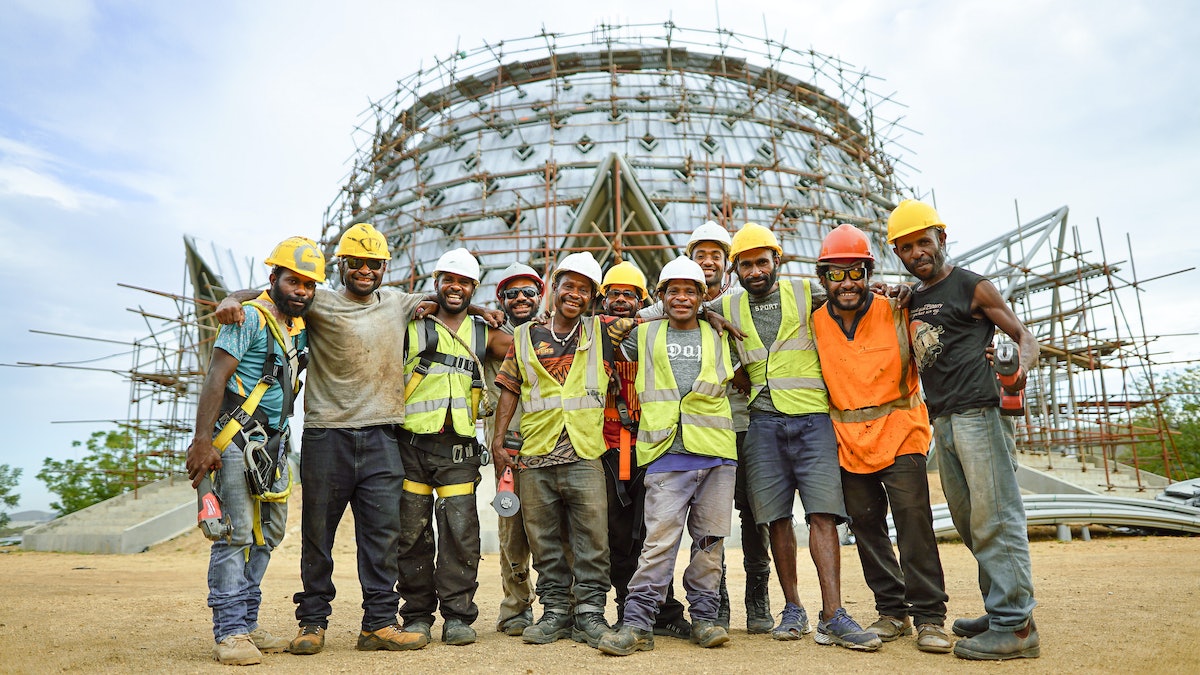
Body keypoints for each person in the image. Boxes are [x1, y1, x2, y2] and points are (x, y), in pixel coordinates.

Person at [214, 224, 491, 654]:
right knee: (317, 535)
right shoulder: (318, 301)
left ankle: (378, 623)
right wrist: (233, 299)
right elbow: (272, 294)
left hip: (383, 438)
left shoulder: (399, 303)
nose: (365, 270)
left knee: (381, 537)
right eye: (356, 263)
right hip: (328, 436)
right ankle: (312, 623)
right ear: (341, 265)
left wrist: (484, 313)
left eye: (373, 264)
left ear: (384, 268)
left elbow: (452, 301)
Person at [715, 223, 881, 651]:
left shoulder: (807, 292)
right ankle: (793, 608)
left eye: (762, 262)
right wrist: (705, 312)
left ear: (778, 261)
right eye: (746, 264)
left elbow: (854, 292)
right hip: (762, 425)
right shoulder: (728, 305)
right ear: (735, 269)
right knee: (775, 519)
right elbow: (677, 306)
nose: (755, 271)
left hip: (812, 421)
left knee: (824, 514)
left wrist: (890, 290)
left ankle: (833, 614)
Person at [887, 200, 1040, 660]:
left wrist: (1017, 365)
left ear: (941, 239)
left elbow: (1024, 337)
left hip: (980, 415)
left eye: (924, 242)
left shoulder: (973, 286)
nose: (917, 253)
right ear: (898, 253)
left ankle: (1016, 628)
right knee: (970, 521)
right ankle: (1001, 611)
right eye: (907, 247)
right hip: (943, 420)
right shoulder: (913, 297)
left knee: (996, 517)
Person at [811, 224, 952, 654]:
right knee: (867, 526)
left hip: (902, 427)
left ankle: (929, 617)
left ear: (869, 272)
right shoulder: (814, 321)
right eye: (836, 274)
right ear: (823, 280)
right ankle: (892, 611)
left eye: (856, 272)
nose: (847, 283)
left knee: (913, 521)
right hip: (848, 438)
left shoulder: (897, 307)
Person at [186, 236, 322, 665]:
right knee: (235, 534)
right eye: (292, 281)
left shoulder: (300, 323)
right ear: (274, 279)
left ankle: (246, 620)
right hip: (234, 439)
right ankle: (229, 631)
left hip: (276, 445)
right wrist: (202, 441)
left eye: (308, 284)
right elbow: (215, 377)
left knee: (270, 534)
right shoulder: (248, 319)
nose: (301, 290)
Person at [597, 257, 738, 656]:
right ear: (660, 297)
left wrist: (708, 311)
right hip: (664, 455)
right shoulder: (642, 335)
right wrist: (698, 308)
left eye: (691, 291)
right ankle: (638, 625)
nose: (681, 298)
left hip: (715, 456)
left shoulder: (720, 337)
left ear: (702, 295)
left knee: (710, 544)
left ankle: (706, 620)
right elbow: (613, 329)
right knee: (658, 544)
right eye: (672, 291)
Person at [489, 251, 620, 649]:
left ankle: (591, 615)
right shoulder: (526, 336)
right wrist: (498, 441)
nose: (574, 295)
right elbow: (510, 387)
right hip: (535, 456)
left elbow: (666, 315)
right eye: (568, 286)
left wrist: (712, 314)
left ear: (593, 297)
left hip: (583, 454)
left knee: (593, 541)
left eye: (584, 289)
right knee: (544, 542)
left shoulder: (604, 331)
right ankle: (556, 613)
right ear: (555, 290)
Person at [395, 248, 512, 646]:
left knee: (461, 533)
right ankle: (416, 616)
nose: (455, 287)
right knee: (411, 534)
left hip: (458, 448)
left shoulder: (486, 333)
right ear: (437, 283)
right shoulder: (412, 325)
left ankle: (458, 617)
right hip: (410, 445)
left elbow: (531, 353)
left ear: (473, 288)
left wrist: (486, 313)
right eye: (449, 280)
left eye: (463, 282)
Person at [598, 261, 690, 640]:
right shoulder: (593, 333)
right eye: (614, 294)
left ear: (642, 300)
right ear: (602, 299)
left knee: (656, 535)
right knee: (621, 536)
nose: (621, 301)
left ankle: (662, 610)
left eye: (630, 295)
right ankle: (628, 607)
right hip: (612, 448)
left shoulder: (659, 332)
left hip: (654, 446)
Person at [483, 262, 544, 637]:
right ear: (500, 300)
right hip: (509, 449)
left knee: (556, 530)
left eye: (528, 293)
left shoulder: (560, 330)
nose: (520, 299)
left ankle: (562, 604)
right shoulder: (494, 335)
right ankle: (515, 608)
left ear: (541, 296)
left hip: (553, 445)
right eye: (511, 294)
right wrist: (476, 310)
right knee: (512, 529)